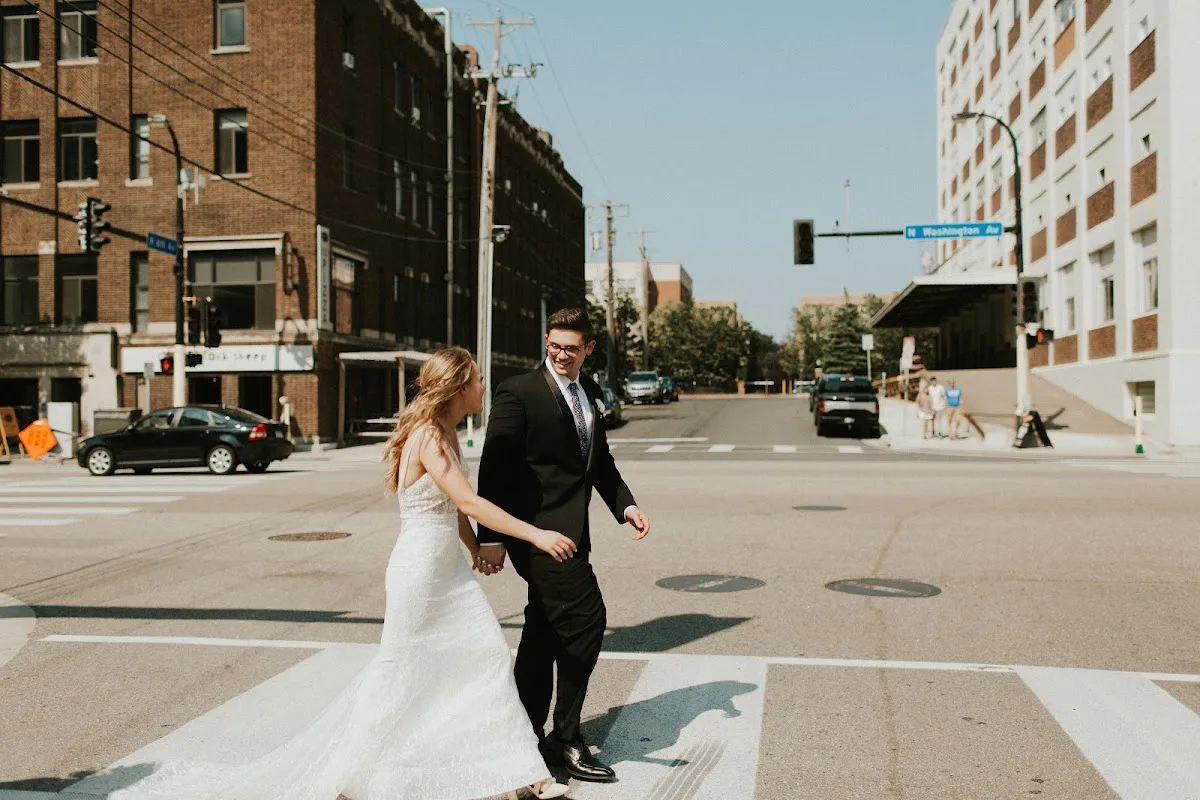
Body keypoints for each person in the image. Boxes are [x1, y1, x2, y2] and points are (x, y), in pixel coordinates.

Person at [109, 347, 572, 800]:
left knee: (486, 655)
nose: (483, 386)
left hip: (447, 570)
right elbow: (468, 501)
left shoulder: (447, 432)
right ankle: (352, 772)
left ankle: (520, 770)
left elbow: (453, 508)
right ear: (457, 387)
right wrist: (537, 535)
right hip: (418, 573)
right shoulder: (429, 436)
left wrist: (473, 548)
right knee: (399, 673)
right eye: (476, 379)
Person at [477, 307, 651, 784]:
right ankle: (566, 737)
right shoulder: (520, 392)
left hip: (575, 534)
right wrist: (491, 537)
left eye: (569, 348)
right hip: (535, 536)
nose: (557, 353)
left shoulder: (587, 392)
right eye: (552, 344)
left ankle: (523, 734)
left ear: (588, 350)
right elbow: (494, 465)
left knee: (544, 634)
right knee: (587, 621)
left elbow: (598, 463)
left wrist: (626, 505)